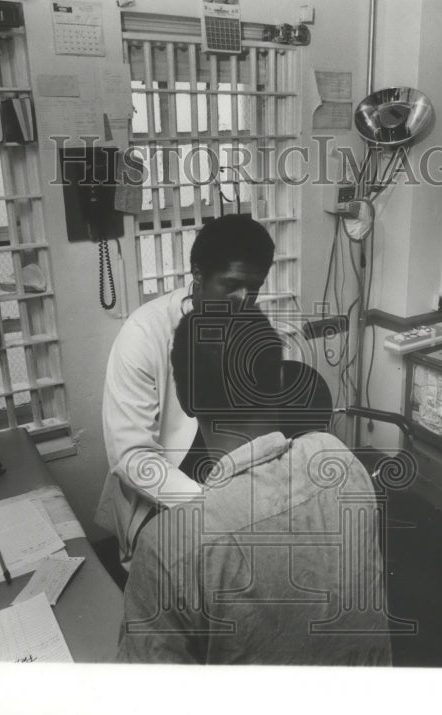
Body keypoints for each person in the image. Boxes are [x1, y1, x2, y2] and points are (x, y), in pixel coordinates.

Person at [117, 308, 393, 665]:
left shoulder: (167, 547)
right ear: (280, 381)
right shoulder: (339, 460)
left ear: (185, 400)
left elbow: (145, 703)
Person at [95, 215, 276, 566]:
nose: (245, 300)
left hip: (230, 476)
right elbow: (132, 458)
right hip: (164, 493)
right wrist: (216, 508)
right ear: (197, 275)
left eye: (254, 289)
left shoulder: (246, 327)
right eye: (233, 285)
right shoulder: (144, 334)